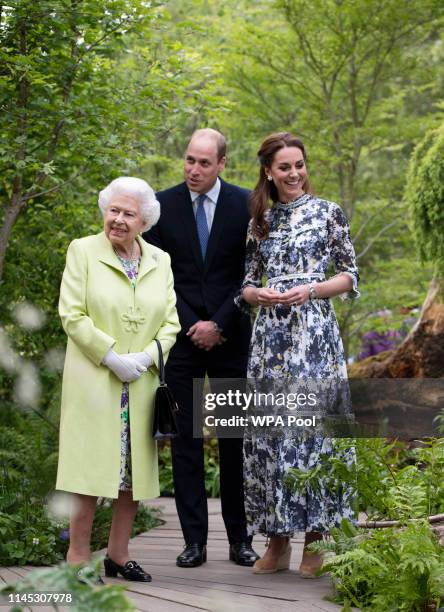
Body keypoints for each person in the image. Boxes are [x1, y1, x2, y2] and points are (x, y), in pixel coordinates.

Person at [238, 132, 359, 577]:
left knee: (313, 433)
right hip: (270, 340)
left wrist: (310, 290)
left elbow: (349, 275)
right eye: (285, 167)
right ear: (269, 171)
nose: (294, 173)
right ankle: (277, 542)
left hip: (314, 336)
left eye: (299, 165)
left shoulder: (329, 213)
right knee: (271, 435)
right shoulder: (259, 221)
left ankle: (316, 539)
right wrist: (258, 295)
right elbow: (245, 285)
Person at [143, 128, 259, 568]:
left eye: (204, 163)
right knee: (186, 442)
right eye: (189, 160)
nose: (193, 170)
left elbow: (251, 272)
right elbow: (157, 276)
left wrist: (221, 322)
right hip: (183, 341)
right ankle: (193, 542)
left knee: (234, 441)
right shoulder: (162, 205)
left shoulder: (247, 205)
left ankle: (240, 540)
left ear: (222, 164)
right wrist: (195, 325)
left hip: (232, 338)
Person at [56, 177, 180, 583]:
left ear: (144, 220)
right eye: (114, 210)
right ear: (104, 211)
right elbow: (72, 314)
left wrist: (146, 357)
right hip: (96, 379)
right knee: (88, 472)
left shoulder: (160, 260)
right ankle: (77, 556)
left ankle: (117, 554)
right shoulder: (83, 251)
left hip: (140, 384)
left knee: (131, 474)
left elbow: (171, 322)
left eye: (129, 213)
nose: (119, 220)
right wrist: (110, 356)